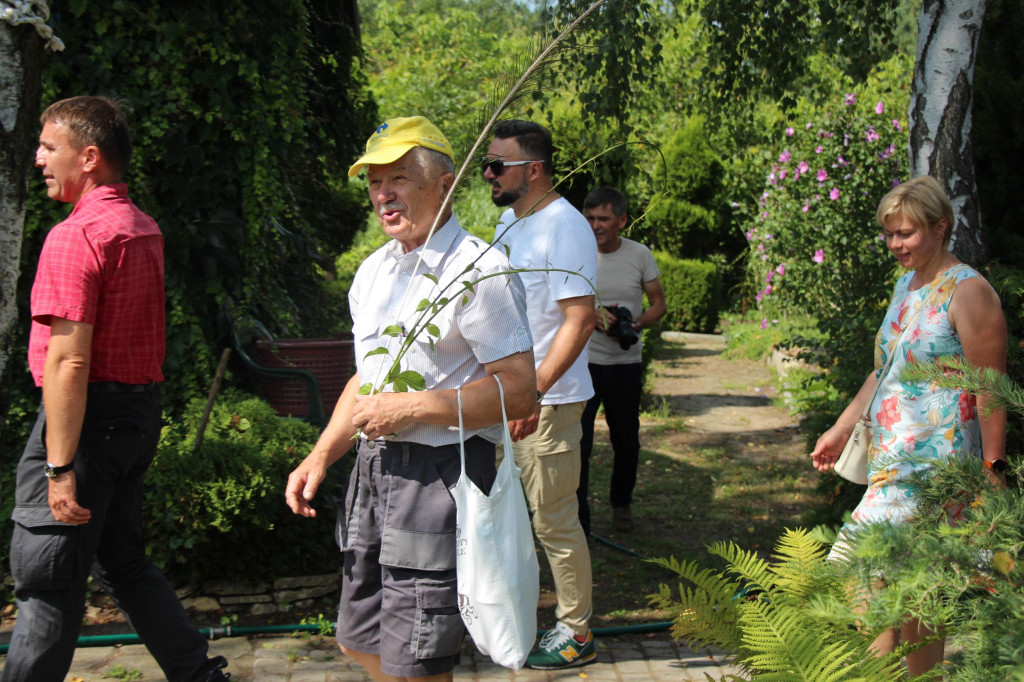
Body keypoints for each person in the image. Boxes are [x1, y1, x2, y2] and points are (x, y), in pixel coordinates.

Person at [285, 116, 536, 682]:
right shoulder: (374, 272)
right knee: (359, 639)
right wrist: (321, 455)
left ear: (445, 183)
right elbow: (365, 382)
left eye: (398, 177)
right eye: (374, 182)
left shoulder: (478, 270)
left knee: (418, 661)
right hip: (374, 472)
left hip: (439, 476)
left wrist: (413, 407)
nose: (383, 194)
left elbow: (519, 390)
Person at [3, 97, 229, 681]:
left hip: (83, 422)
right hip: (134, 417)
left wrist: (58, 467)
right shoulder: (140, 227)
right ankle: (201, 677)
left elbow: (69, 362)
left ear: (91, 157)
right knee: (124, 564)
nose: (38, 159)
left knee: (48, 580)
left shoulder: (76, 235)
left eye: (50, 148)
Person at [810, 174, 1007, 676]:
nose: (895, 244)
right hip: (891, 457)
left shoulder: (969, 291)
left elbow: (991, 387)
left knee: (868, 571)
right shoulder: (906, 284)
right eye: (890, 233)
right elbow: (884, 370)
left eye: (906, 233)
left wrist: (992, 465)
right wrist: (840, 427)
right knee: (912, 585)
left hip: (937, 464)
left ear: (940, 227)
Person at [485, 120, 598, 670]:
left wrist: (534, 394)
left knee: (554, 519)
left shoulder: (565, 227)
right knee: (508, 516)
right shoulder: (508, 222)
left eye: (497, 165)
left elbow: (579, 321)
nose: (488, 174)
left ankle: (576, 632)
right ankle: (519, 619)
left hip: (547, 404)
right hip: (508, 401)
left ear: (533, 170)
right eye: (488, 163)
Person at [577, 187, 666, 536]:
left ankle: (621, 505)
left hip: (625, 365)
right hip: (583, 363)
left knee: (627, 442)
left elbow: (659, 303)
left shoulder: (639, 254)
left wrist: (634, 324)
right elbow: (555, 300)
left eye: (603, 219)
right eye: (590, 218)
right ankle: (578, 517)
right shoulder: (577, 253)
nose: (595, 226)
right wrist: (592, 315)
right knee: (579, 444)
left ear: (622, 220)